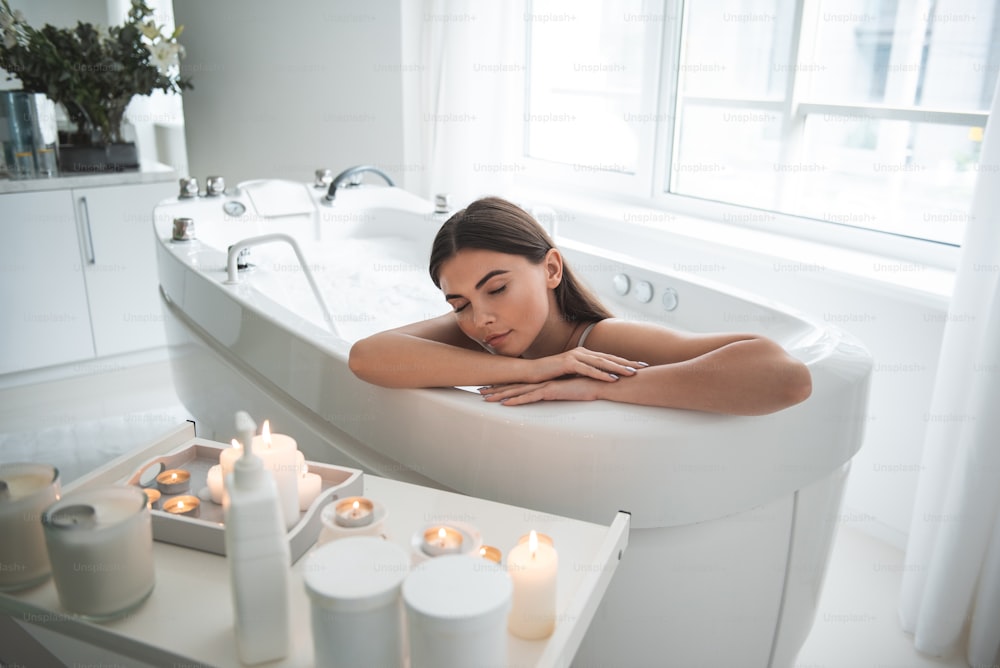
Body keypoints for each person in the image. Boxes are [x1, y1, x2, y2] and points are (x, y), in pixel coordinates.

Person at [348, 197, 812, 415]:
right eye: (459, 302)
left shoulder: (599, 340)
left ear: (551, 269)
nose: (479, 316)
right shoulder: (481, 331)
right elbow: (367, 356)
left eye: (497, 288)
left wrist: (597, 387)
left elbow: (786, 375)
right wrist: (534, 371)